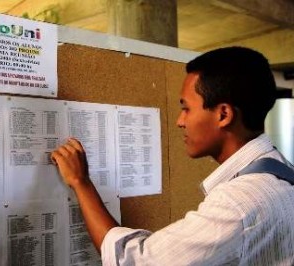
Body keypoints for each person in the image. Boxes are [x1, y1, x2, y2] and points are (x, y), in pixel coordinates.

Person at [51, 47, 294, 265]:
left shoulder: (238, 204)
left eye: (186, 108)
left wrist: (80, 182)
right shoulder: (280, 171)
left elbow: (134, 261)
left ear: (223, 115)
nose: (180, 121)